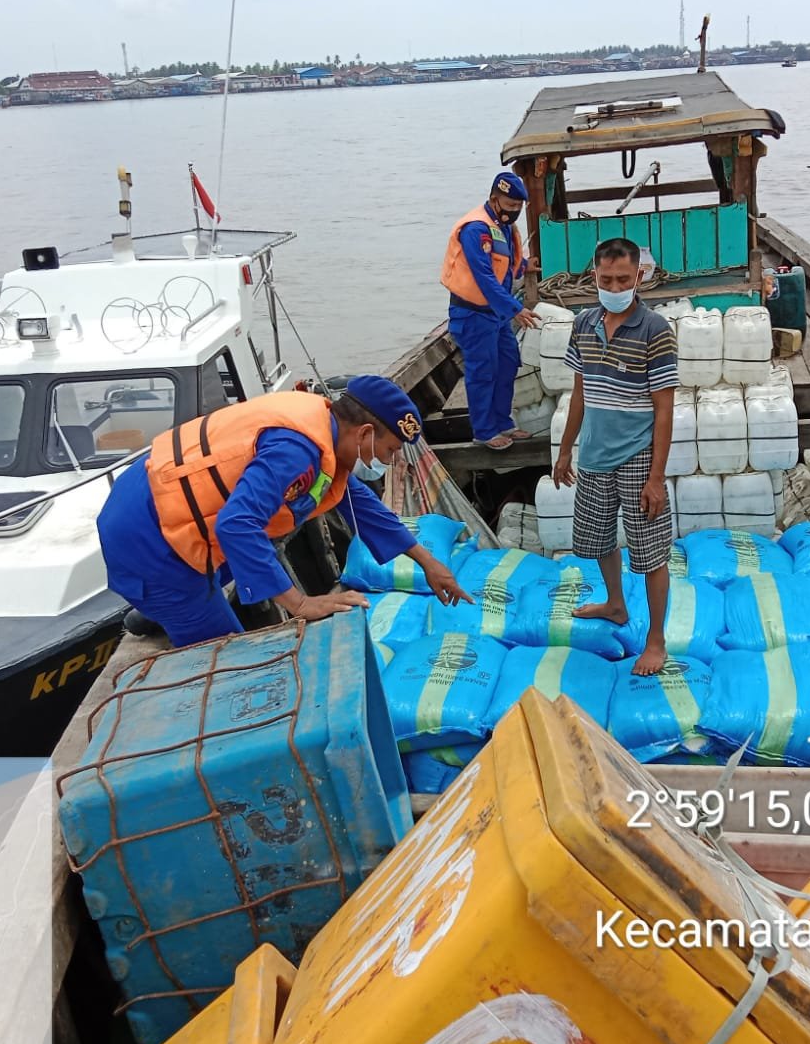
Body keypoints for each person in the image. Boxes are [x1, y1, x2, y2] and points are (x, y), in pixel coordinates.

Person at [97, 377, 471, 647]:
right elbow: (237, 525)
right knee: (225, 656)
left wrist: (426, 561)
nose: (388, 462)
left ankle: (156, 612)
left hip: (158, 500)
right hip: (149, 536)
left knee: (244, 555)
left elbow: (360, 503)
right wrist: (301, 604)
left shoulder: (324, 430)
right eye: (388, 451)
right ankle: (168, 605)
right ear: (365, 433)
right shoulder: (296, 451)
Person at [552, 238, 677, 675]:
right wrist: (565, 449)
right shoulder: (584, 324)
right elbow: (581, 392)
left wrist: (656, 477)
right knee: (598, 538)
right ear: (594, 277)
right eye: (606, 279)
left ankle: (656, 640)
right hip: (594, 453)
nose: (615, 285)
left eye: (623, 278)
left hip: (639, 456)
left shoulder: (655, 330)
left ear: (639, 276)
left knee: (651, 553)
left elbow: (664, 409)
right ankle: (615, 604)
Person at [440, 172, 541, 451]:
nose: (513, 213)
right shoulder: (476, 229)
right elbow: (484, 277)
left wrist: (524, 267)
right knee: (482, 371)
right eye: (509, 207)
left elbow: (505, 263)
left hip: (495, 314)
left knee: (507, 364)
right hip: (473, 314)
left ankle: (503, 422)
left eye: (518, 208)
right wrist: (516, 309)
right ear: (494, 200)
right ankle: (484, 431)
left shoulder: (503, 226)